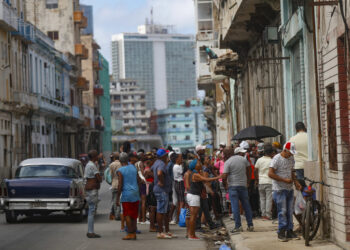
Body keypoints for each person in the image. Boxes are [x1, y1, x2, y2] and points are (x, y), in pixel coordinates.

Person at [268, 142, 302, 242]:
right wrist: (283, 180)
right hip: (279, 189)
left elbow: (291, 171)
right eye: (290, 152)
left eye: (292, 153)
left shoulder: (291, 158)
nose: (291, 154)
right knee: (282, 211)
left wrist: (296, 182)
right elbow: (270, 174)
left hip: (289, 189)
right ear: (285, 150)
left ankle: (290, 231)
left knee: (290, 211)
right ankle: (281, 232)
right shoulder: (276, 159)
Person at [222, 147, 254, 234]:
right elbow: (249, 169)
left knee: (235, 207)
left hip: (233, 186)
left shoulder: (228, 162)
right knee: (246, 206)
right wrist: (248, 181)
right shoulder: (243, 159)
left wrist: (225, 184)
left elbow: (224, 176)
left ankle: (238, 226)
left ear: (227, 154)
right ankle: (250, 225)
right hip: (243, 185)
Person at [187, 159, 221, 240]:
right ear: (195, 165)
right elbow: (206, 179)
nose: (200, 163)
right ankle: (191, 235)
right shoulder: (195, 174)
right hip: (194, 196)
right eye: (198, 163)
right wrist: (218, 177)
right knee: (193, 216)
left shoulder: (196, 172)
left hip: (194, 195)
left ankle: (191, 234)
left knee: (194, 216)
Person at [116, 152, 141, 240]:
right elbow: (139, 180)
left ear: (120, 161)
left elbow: (120, 185)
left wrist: (117, 198)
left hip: (127, 195)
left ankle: (130, 233)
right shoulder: (133, 167)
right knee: (134, 215)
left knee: (127, 215)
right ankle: (133, 233)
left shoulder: (120, 171)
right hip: (135, 194)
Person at [152, 148, 173, 239]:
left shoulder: (156, 163)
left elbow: (149, 172)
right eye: (166, 155)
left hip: (160, 190)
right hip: (162, 190)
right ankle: (160, 232)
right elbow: (160, 173)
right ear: (163, 156)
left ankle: (167, 231)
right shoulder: (161, 164)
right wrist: (161, 181)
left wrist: (156, 179)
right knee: (161, 211)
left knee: (165, 211)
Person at [84, 150, 102, 238]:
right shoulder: (92, 166)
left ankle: (90, 231)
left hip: (88, 189)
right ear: (94, 156)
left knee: (91, 210)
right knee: (92, 210)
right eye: (97, 155)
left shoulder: (88, 164)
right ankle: (91, 232)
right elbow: (99, 178)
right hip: (92, 189)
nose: (98, 156)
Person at [254, 144, 273, 220]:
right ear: (271, 153)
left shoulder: (259, 160)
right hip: (269, 181)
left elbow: (255, 170)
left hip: (261, 181)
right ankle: (268, 215)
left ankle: (263, 214)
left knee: (262, 199)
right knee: (269, 199)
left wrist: (256, 179)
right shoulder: (272, 160)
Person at [173, 153, 185, 223]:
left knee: (180, 202)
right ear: (177, 159)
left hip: (177, 182)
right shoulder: (178, 166)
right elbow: (182, 173)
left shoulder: (175, 166)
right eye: (180, 158)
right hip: (179, 182)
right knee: (181, 202)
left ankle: (178, 218)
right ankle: (181, 218)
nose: (182, 159)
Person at [109, 152, 121, 220]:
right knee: (120, 200)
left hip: (114, 184)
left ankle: (116, 215)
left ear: (114, 158)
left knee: (114, 200)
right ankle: (119, 214)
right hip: (121, 184)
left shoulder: (111, 165)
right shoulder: (122, 164)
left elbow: (111, 175)